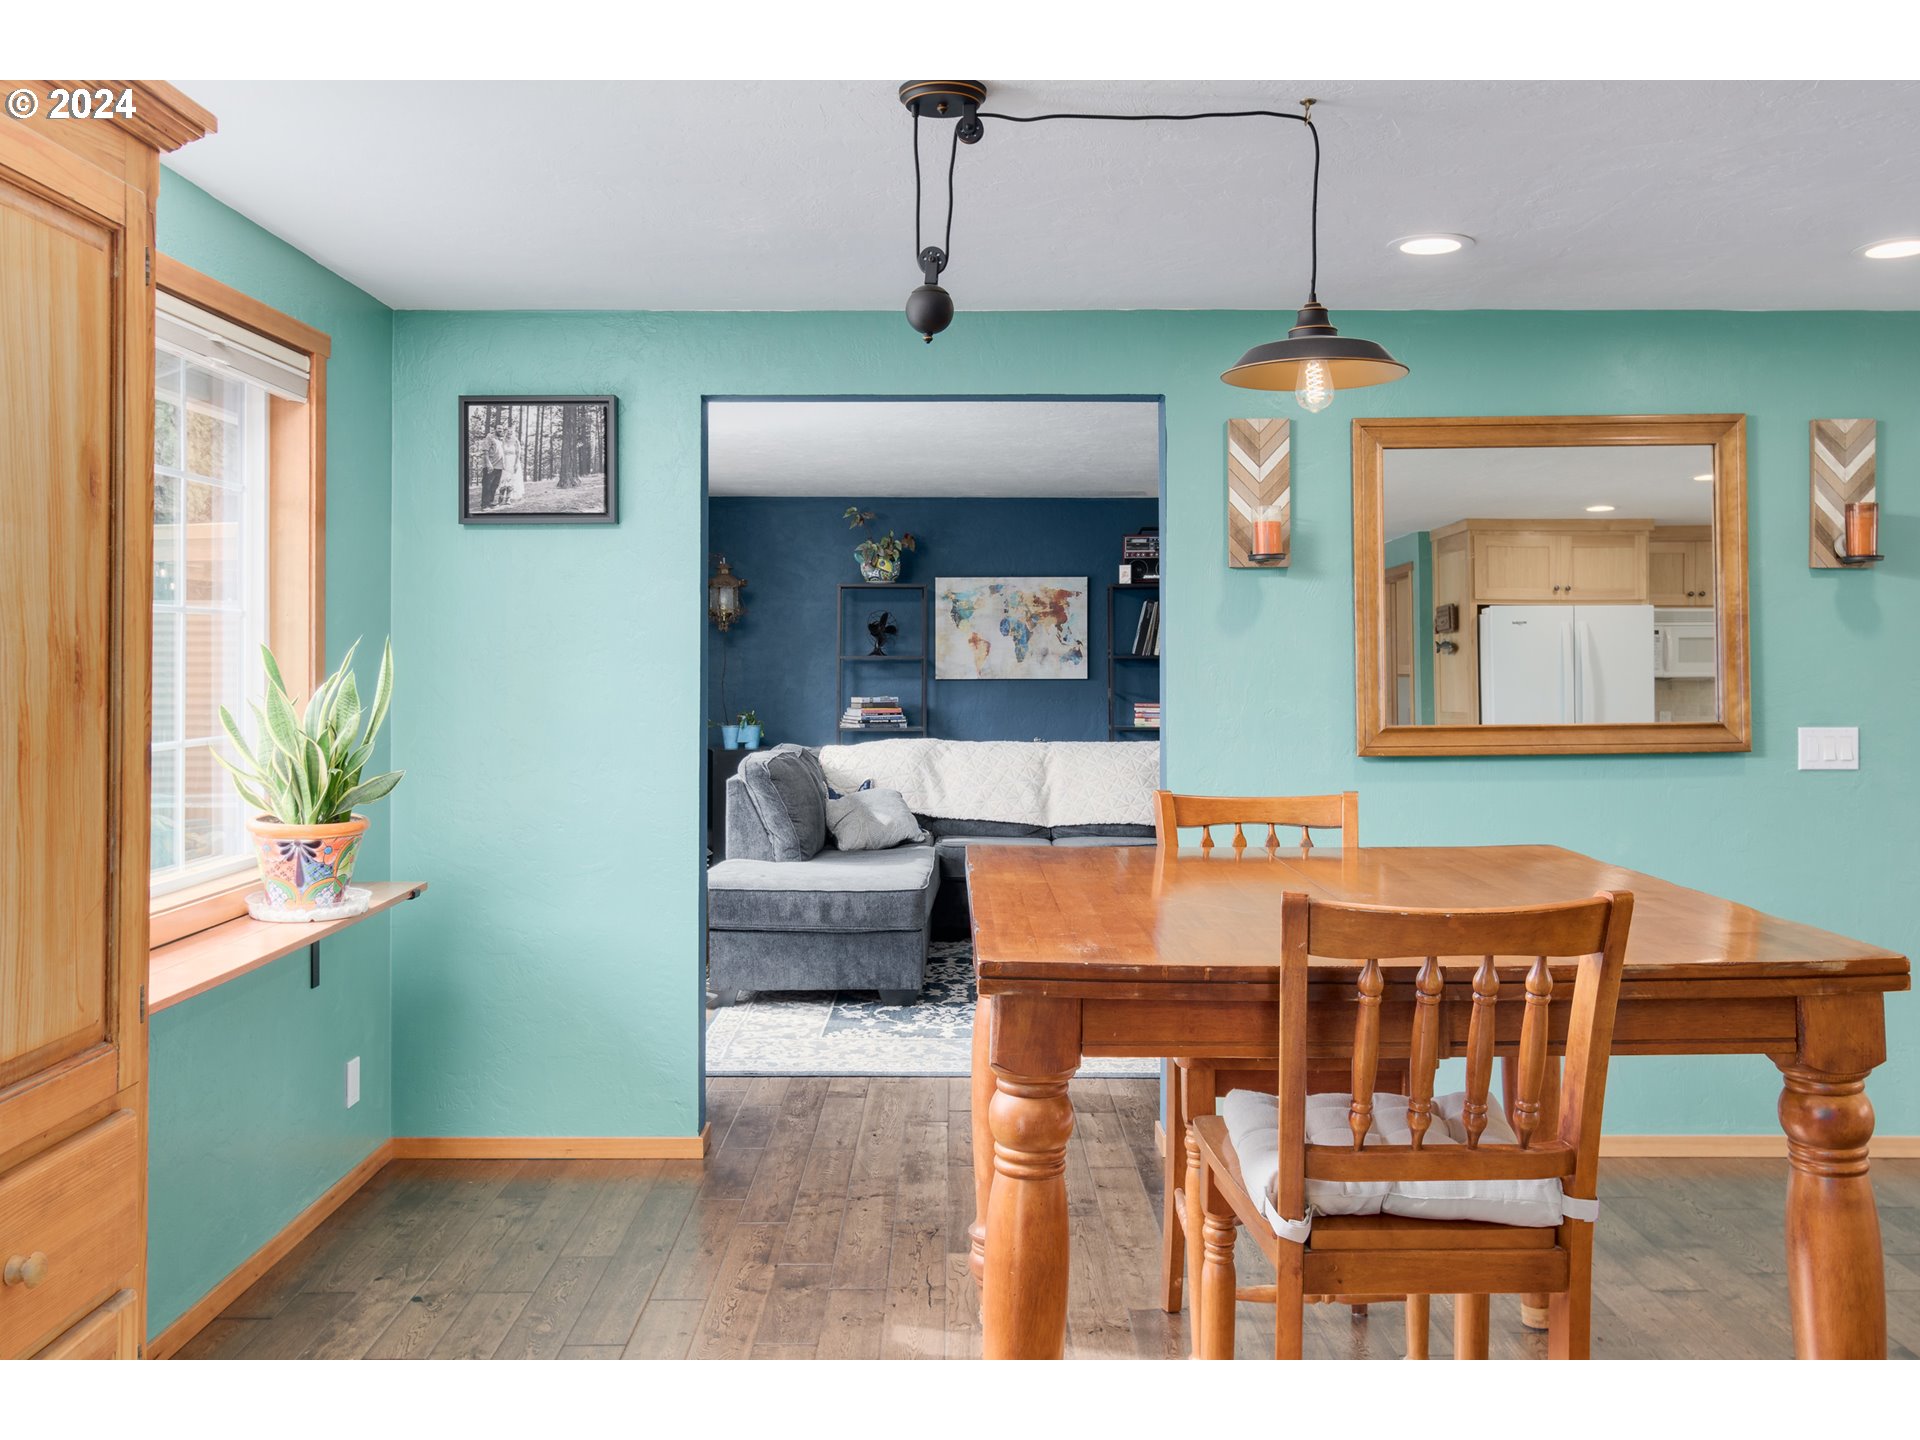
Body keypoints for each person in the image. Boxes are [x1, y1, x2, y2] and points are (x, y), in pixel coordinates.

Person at [494, 422, 524, 507]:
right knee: (503, 479)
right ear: (505, 432)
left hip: (513, 461)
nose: (509, 433)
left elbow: (518, 453)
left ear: (513, 432)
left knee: (511, 479)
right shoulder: (502, 440)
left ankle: (508, 498)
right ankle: (500, 497)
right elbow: (500, 452)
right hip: (504, 461)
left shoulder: (516, 441)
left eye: (511, 432)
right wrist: (502, 462)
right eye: (508, 432)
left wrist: (516, 464)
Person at [479, 420, 506, 509]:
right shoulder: (490, 437)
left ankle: (490, 502)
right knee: (487, 485)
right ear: (494, 429)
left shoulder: (501, 439)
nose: (500, 430)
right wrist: (488, 463)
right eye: (498, 428)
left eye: (502, 429)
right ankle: (484, 505)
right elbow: (485, 451)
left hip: (499, 466)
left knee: (494, 485)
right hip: (490, 466)